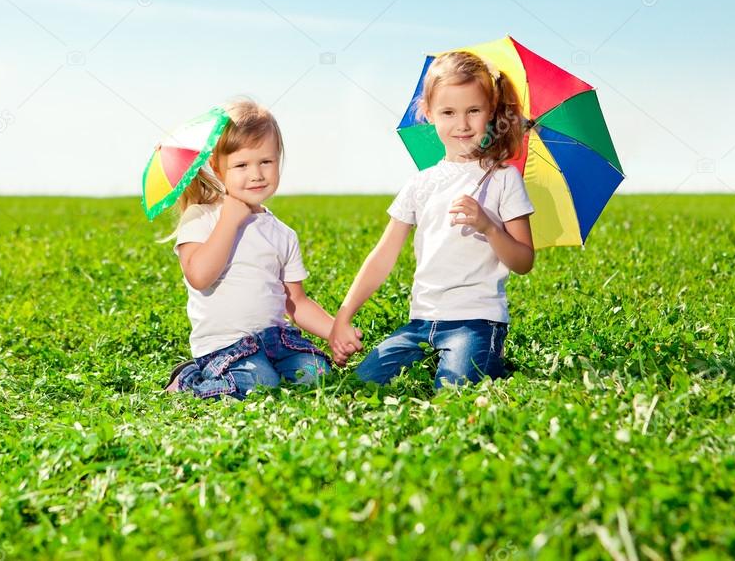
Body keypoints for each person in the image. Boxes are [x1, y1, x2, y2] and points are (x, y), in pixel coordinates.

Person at [329, 51, 535, 389]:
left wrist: (488, 226)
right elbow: (382, 257)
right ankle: (476, 359)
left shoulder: (503, 179)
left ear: (492, 112)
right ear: (428, 114)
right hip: (422, 321)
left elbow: (524, 260)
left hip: (477, 320)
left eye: (474, 111)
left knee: (454, 390)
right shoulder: (421, 183)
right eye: (448, 112)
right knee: (362, 383)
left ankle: (488, 357)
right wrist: (344, 315)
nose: (462, 124)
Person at [164, 99, 333, 399]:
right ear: (217, 167)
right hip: (225, 346)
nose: (256, 174)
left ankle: (264, 371)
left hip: (277, 341)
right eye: (241, 165)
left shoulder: (282, 233)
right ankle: (189, 377)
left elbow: (297, 302)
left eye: (266, 162)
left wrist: (335, 331)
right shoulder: (202, 217)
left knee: (316, 374)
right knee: (258, 386)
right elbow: (199, 276)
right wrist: (229, 222)